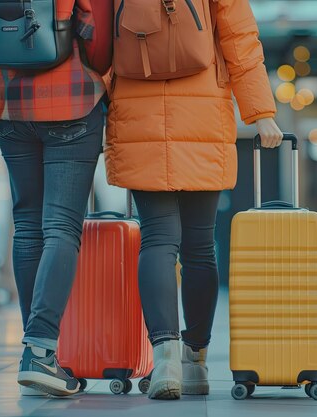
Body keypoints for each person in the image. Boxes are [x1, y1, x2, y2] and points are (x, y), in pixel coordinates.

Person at [105, 0, 283, 400]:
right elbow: (240, 38)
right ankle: (195, 361)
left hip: (137, 115)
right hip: (204, 114)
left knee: (157, 240)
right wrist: (260, 113)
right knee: (200, 246)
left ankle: (164, 358)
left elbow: (98, 42)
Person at [0, 0, 107, 397]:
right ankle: (40, 350)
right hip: (72, 98)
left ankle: (37, 350)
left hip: (7, 104)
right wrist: (102, 77)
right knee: (60, 227)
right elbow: (93, 28)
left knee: (27, 226)